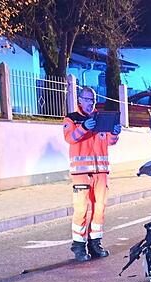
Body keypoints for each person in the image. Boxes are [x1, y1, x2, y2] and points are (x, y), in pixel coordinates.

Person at [62, 87, 121, 262]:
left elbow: (109, 141)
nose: (90, 103)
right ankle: (79, 246)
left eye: (93, 100)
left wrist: (115, 133)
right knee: (81, 209)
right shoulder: (72, 118)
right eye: (87, 100)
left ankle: (95, 243)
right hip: (81, 173)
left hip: (101, 172)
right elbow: (70, 138)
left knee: (100, 208)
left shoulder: (101, 119)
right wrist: (84, 128)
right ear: (80, 100)